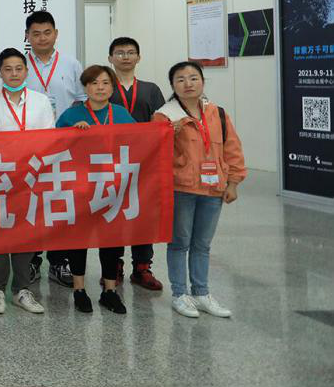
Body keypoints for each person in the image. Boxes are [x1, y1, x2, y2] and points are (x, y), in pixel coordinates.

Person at [154, 61, 245, 320]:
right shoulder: (165, 116)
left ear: (203, 81)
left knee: (202, 245)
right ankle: (180, 294)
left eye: (193, 78)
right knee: (179, 243)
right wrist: (167, 134)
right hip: (180, 189)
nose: (188, 84)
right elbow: (155, 155)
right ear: (172, 85)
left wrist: (233, 182)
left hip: (213, 188)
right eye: (181, 79)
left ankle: (202, 293)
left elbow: (232, 149)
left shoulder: (218, 113)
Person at [54, 65, 132, 315]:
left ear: (112, 87)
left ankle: (110, 291)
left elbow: (140, 141)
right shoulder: (71, 114)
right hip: (80, 186)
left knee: (111, 239)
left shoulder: (121, 114)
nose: (100, 88)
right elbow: (53, 145)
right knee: (79, 238)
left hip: (113, 186)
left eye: (105, 83)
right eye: (94, 83)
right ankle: (79, 290)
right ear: (85, 87)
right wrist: (72, 134)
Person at [0, 48, 51, 315]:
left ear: (26, 71)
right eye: (7, 69)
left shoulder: (41, 101)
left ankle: (22, 289)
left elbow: (49, 138)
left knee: (26, 233)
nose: (14, 74)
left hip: (31, 176)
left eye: (19, 68)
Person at [23, 10, 85, 289]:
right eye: (35, 33)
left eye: (47, 32)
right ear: (27, 36)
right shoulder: (20, 65)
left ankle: (59, 261)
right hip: (31, 147)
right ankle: (33, 259)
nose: (42, 38)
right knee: (33, 203)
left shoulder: (71, 64)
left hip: (65, 146)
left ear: (56, 34)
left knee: (61, 203)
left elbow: (81, 100)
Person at [107, 36, 167, 291]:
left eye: (131, 52)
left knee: (143, 213)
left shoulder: (151, 89)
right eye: (120, 52)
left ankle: (142, 267)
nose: (126, 57)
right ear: (110, 58)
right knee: (114, 213)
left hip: (144, 161)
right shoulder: (104, 86)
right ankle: (114, 265)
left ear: (139, 57)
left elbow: (162, 121)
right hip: (112, 161)